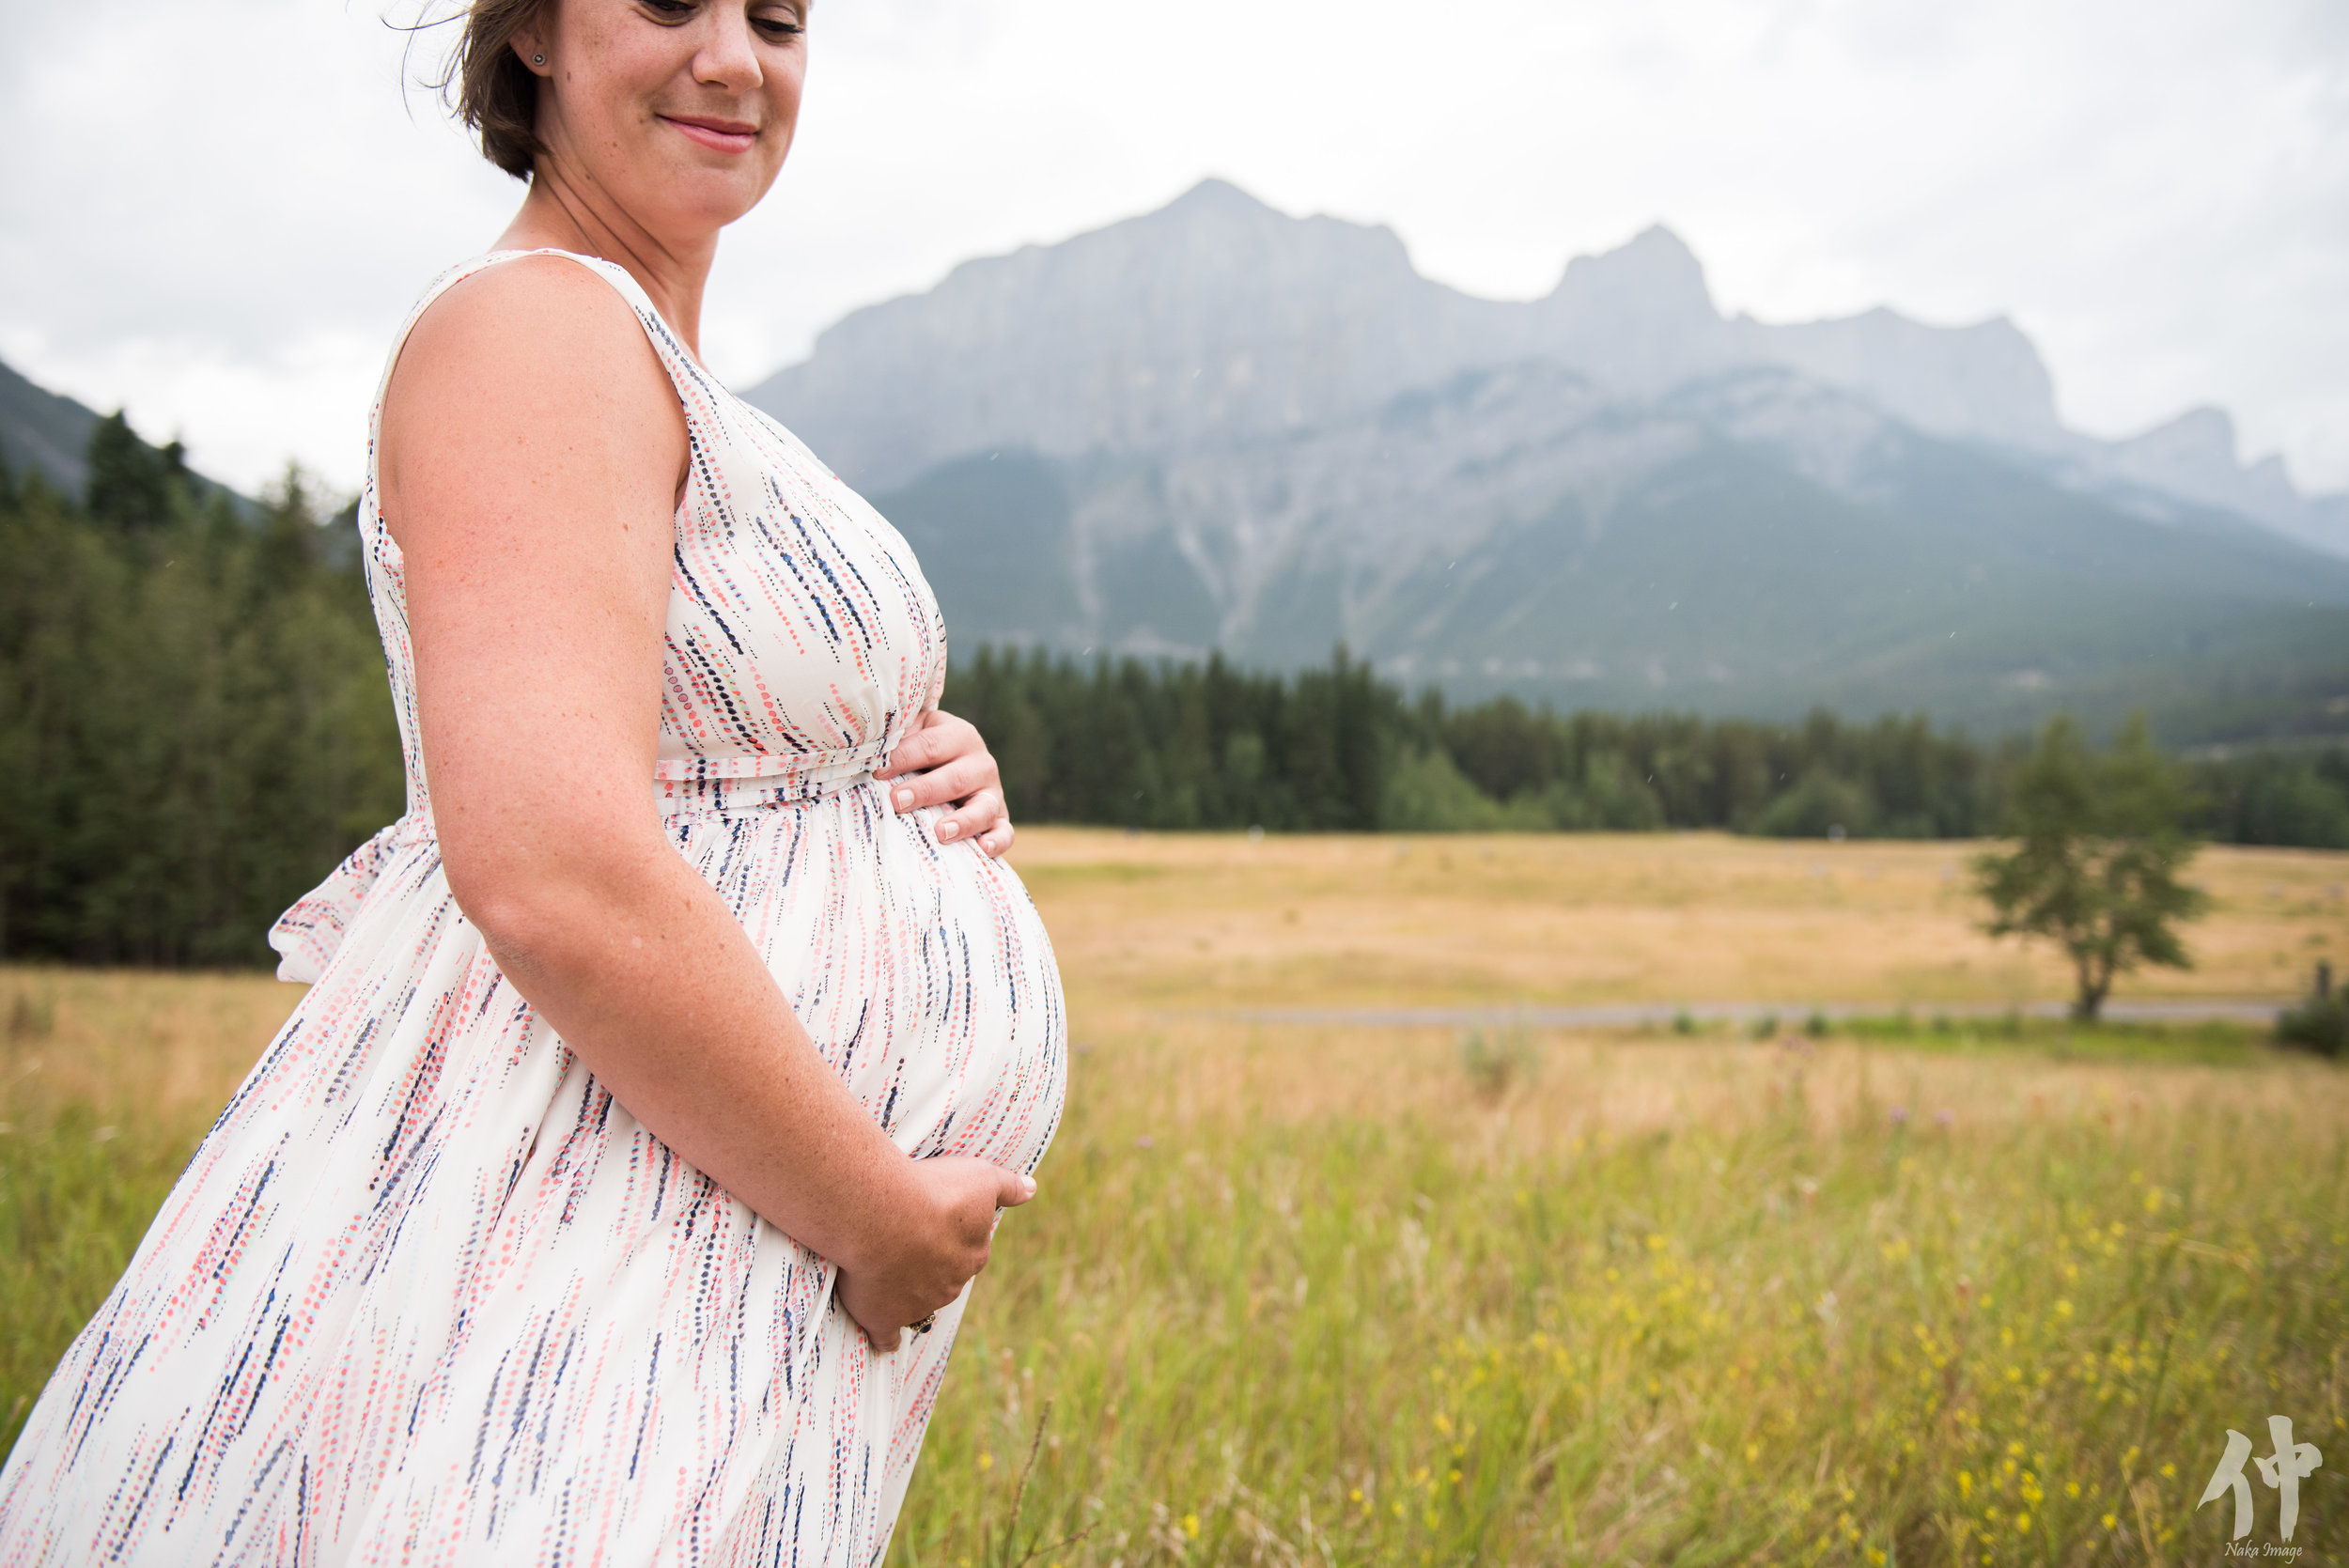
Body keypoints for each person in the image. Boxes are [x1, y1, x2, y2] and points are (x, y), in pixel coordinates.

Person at [0, 1, 1066, 1560]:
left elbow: (676, 732)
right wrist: (870, 1207)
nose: (733, 58)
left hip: (694, 1210)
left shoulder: (637, 355)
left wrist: (891, 766)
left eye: (775, 17)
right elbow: (549, 863)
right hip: (599, 1194)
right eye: (663, 3)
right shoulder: (537, 329)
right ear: (537, 37)